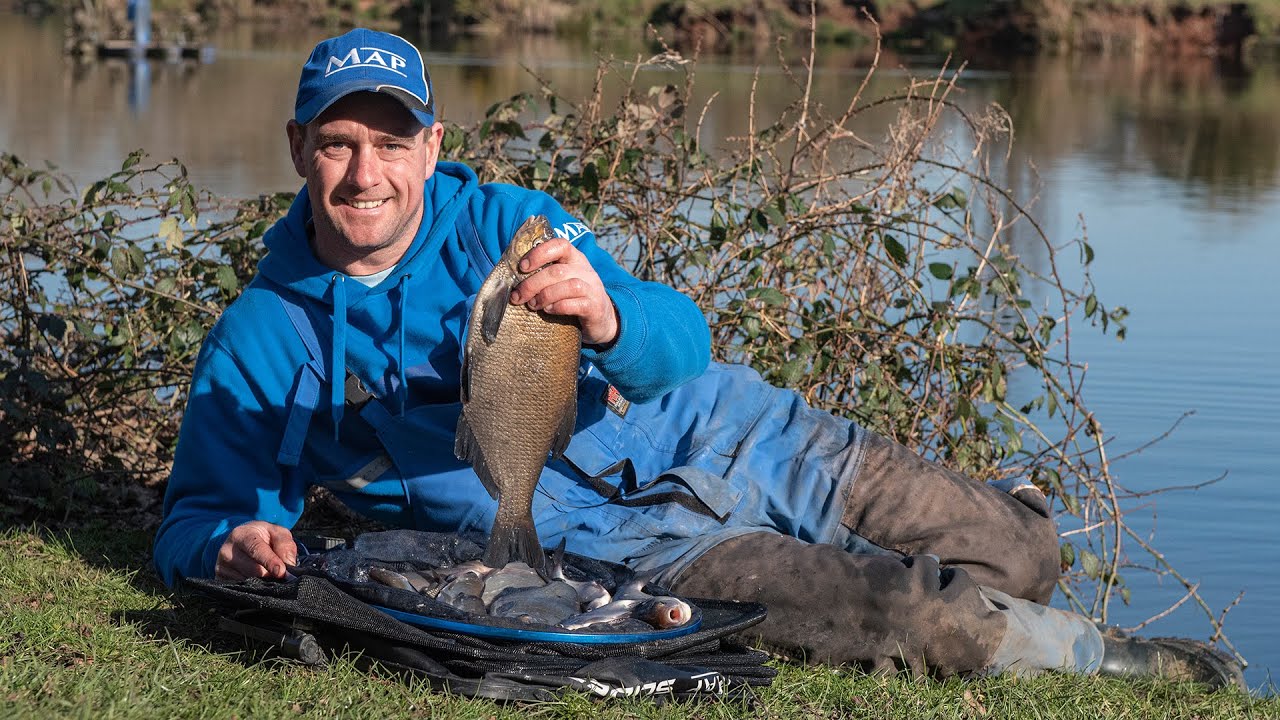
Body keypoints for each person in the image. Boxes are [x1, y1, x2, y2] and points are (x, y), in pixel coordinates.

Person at [153, 28, 1244, 690]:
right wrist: (234, 546)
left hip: (735, 431)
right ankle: (1100, 665)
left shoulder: (512, 225)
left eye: (390, 143)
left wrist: (610, 317)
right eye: (336, 144)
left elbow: (681, 346)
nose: (363, 175)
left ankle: (1011, 579)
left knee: (1016, 550)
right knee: (921, 617)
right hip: (623, 545)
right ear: (298, 149)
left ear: (431, 148)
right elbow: (196, 519)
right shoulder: (266, 334)